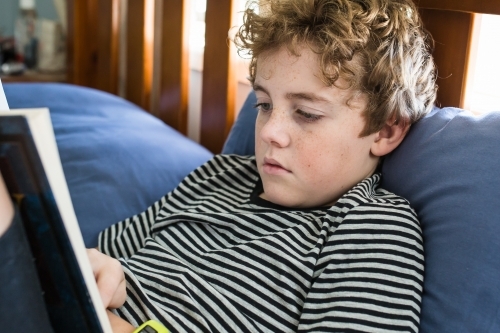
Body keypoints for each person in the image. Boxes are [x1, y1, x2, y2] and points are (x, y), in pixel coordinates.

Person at [94, 0, 435, 331]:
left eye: (307, 113)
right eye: (264, 104)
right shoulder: (217, 175)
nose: (270, 132)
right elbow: (104, 257)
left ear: (386, 130)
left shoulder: (371, 229)